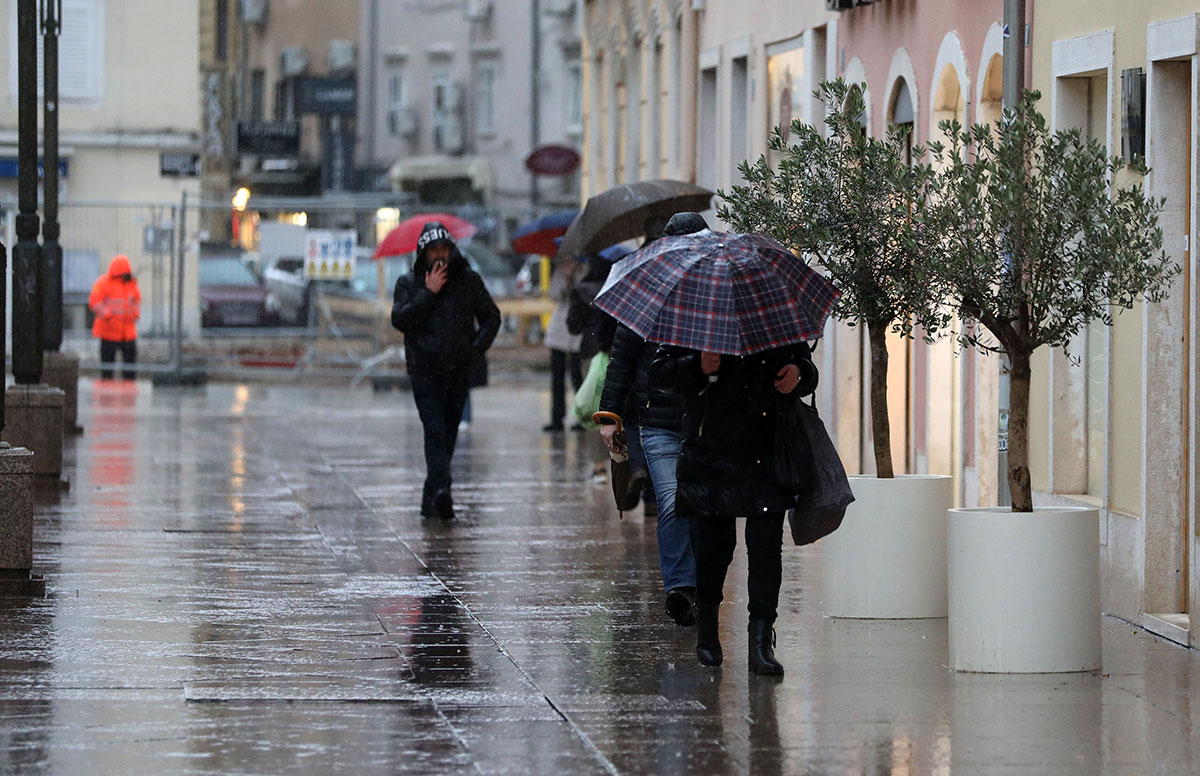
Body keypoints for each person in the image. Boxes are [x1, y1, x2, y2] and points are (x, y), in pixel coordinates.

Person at [650, 329, 817, 676]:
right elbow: (659, 373)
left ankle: (761, 641)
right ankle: (708, 628)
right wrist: (697, 365)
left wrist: (798, 375)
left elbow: (805, 365)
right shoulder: (696, 313)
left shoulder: (769, 311)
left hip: (766, 447)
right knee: (713, 547)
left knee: (766, 548)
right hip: (711, 450)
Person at [597, 213, 708, 627]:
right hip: (659, 423)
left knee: (703, 505)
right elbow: (622, 359)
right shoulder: (646, 293)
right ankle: (681, 587)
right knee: (672, 501)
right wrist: (609, 416)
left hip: (706, 420)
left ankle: (702, 584)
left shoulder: (714, 292)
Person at [392, 222, 501, 519]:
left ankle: (432, 493)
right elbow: (400, 319)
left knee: (448, 434)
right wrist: (428, 293)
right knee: (435, 430)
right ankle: (443, 489)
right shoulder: (408, 283)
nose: (439, 255)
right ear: (423, 253)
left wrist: (474, 351)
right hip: (424, 371)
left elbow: (491, 318)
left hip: (457, 371)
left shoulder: (468, 281)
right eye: (433, 249)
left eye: (444, 248)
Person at [542, 257, 584, 432]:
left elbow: (586, 295)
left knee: (577, 376)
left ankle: (581, 417)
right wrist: (566, 278)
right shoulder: (559, 270)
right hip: (559, 328)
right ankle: (557, 418)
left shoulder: (585, 270)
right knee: (557, 378)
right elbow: (554, 295)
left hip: (577, 328)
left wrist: (575, 277)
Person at [88, 254, 141, 380]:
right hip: (108, 333)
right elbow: (94, 302)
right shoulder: (103, 283)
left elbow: (136, 301)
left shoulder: (131, 285)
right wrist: (107, 315)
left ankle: (128, 393)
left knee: (130, 370)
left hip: (128, 334)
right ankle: (107, 394)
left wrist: (135, 314)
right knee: (107, 370)